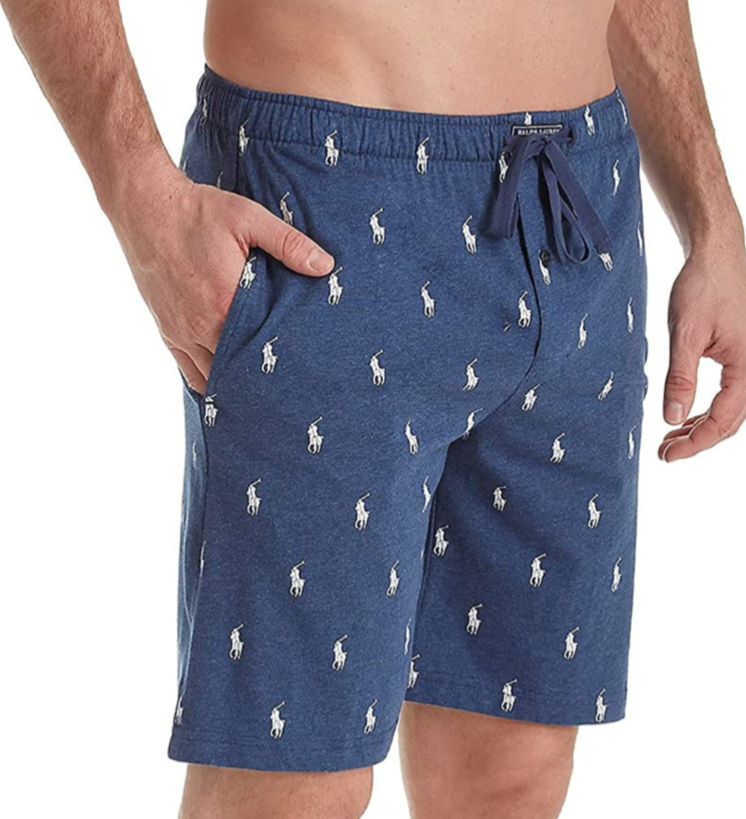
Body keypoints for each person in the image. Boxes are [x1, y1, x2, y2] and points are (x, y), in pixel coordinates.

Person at [2, 2, 745, 818]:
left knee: (513, 769)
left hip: (577, 207)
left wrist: (713, 218)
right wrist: (137, 193)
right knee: (293, 784)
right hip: (327, 200)